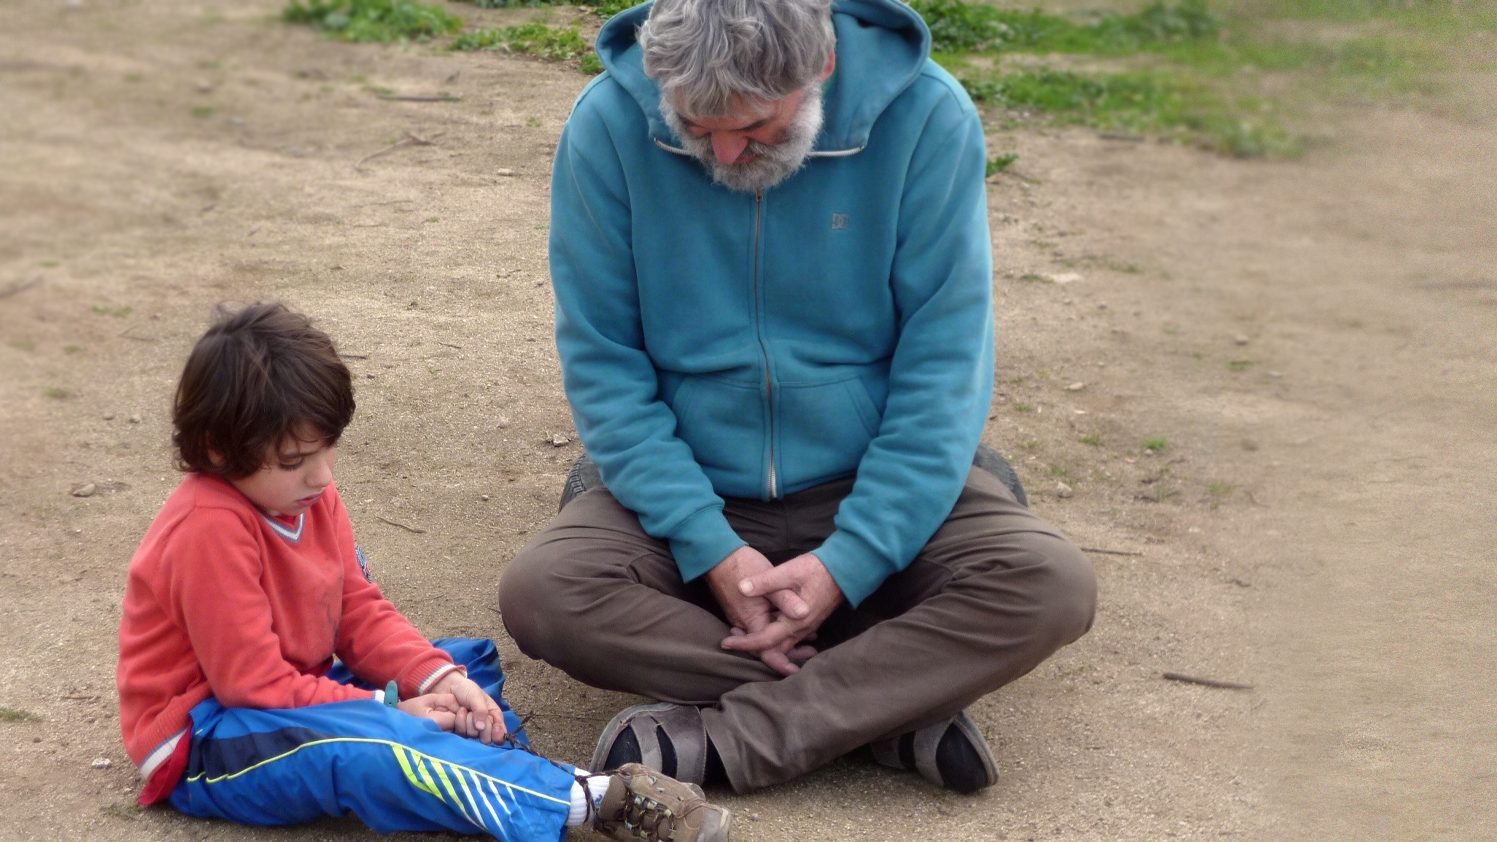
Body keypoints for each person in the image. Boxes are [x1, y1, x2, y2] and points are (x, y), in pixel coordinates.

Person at [498, 0, 1099, 796]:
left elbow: (944, 370)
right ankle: (887, 706)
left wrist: (852, 560)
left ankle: (734, 741)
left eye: (754, 124)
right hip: (695, 489)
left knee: (1050, 585)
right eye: (693, 124)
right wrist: (708, 548)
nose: (722, 151)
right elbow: (603, 363)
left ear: (822, 66)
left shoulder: (929, 116)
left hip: (865, 476)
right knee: (545, 595)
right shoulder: (608, 121)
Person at [119, 302, 733, 842]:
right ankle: (588, 800)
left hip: (292, 687)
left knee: (463, 665)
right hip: (207, 735)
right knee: (368, 749)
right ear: (219, 449)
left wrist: (436, 680)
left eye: (329, 448)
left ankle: (484, 760)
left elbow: (356, 610)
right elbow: (252, 687)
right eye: (294, 459)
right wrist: (385, 712)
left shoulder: (305, 497)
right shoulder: (208, 527)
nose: (322, 475)